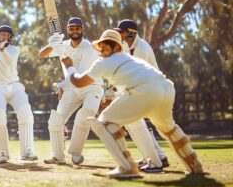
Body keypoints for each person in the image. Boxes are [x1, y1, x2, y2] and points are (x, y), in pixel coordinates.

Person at [61, 29, 203, 178]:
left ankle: (127, 167)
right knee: (169, 129)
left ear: (116, 47)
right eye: (101, 45)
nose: (102, 49)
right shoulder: (130, 59)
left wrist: (69, 65)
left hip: (145, 91)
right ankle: (194, 164)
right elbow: (133, 83)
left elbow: (78, 82)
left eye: (106, 45)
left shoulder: (104, 62)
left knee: (105, 122)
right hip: (165, 88)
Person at [39, 17, 103, 165]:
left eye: (77, 28)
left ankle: (76, 153)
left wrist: (62, 84)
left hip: (92, 86)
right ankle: (57, 156)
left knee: (86, 113)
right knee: (55, 120)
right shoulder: (63, 45)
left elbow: (80, 76)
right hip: (72, 88)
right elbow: (42, 54)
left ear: (82, 29)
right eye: (72, 28)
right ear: (68, 30)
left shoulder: (90, 48)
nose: (75, 31)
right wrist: (52, 44)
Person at [114, 19, 169, 172]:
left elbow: (137, 75)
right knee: (136, 123)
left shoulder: (142, 49)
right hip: (143, 88)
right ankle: (158, 157)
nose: (119, 35)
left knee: (136, 122)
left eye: (121, 32)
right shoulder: (126, 45)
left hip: (154, 88)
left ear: (131, 33)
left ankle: (155, 159)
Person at [0, 25, 37, 164]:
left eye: (7, 35)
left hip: (14, 86)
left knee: (26, 113)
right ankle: (2, 153)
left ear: (10, 38)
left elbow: (9, 61)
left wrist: (2, 48)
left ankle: (27, 151)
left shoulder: (14, 49)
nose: (5, 37)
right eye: (2, 35)